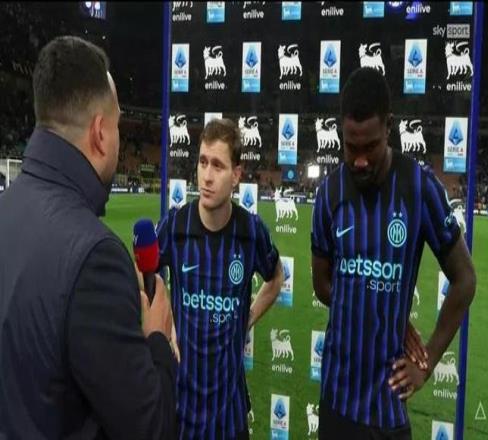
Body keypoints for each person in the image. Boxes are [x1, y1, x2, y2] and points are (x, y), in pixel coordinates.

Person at [0, 36, 177, 439]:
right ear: (100, 133)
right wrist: (157, 338)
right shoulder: (96, 257)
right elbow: (151, 428)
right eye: (117, 126)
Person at [311, 67, 476, 439]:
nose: (360, 161)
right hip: (336, 401)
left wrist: (426, 364)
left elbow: (465, 280)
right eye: (351, 147)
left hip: (388, 410)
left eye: (370, 147)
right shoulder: (330, 193)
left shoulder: (419, 187)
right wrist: (378, 313)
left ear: (389, 126)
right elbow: (322, 284)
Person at [156, 118, 283, 440]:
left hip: (230, 415)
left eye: (218, 165)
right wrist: (167, 323)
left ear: (236, 175)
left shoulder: (251, 231)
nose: (207, 176)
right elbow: (148, 272)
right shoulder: (175, 226)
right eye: (202, 162)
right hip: (181, 411)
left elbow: (275, 278)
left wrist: (247, 318)